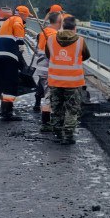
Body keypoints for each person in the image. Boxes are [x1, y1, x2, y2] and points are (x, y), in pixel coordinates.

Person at [46, 15, 90, 145]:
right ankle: (68, 136)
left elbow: (49, 55)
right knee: (72, 109)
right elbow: (86, 56)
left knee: (56, 107)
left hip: (55, 80)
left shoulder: (51, 39)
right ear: (75, 28)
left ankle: (57, 132)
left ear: (62, 26)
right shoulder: (80, 41)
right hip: (73, 81)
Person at [0, 4, 32, 119]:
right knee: (11, 82)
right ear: (23, 14)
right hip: (8, 54)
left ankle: (4, 108)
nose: (27, 19)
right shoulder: (17, 19)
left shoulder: (7, 21)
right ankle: (7, 113)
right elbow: (18, 26)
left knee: (5, 82)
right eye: (27, 16)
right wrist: (20, 43)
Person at [33, 10, 62, 128]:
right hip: (48, 69)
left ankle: (45, 119)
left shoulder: (43, 32)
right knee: (49, 97)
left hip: (41, 68)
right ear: (58, 22)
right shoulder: (54, 35)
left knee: (44, 92)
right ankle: (46, 124)